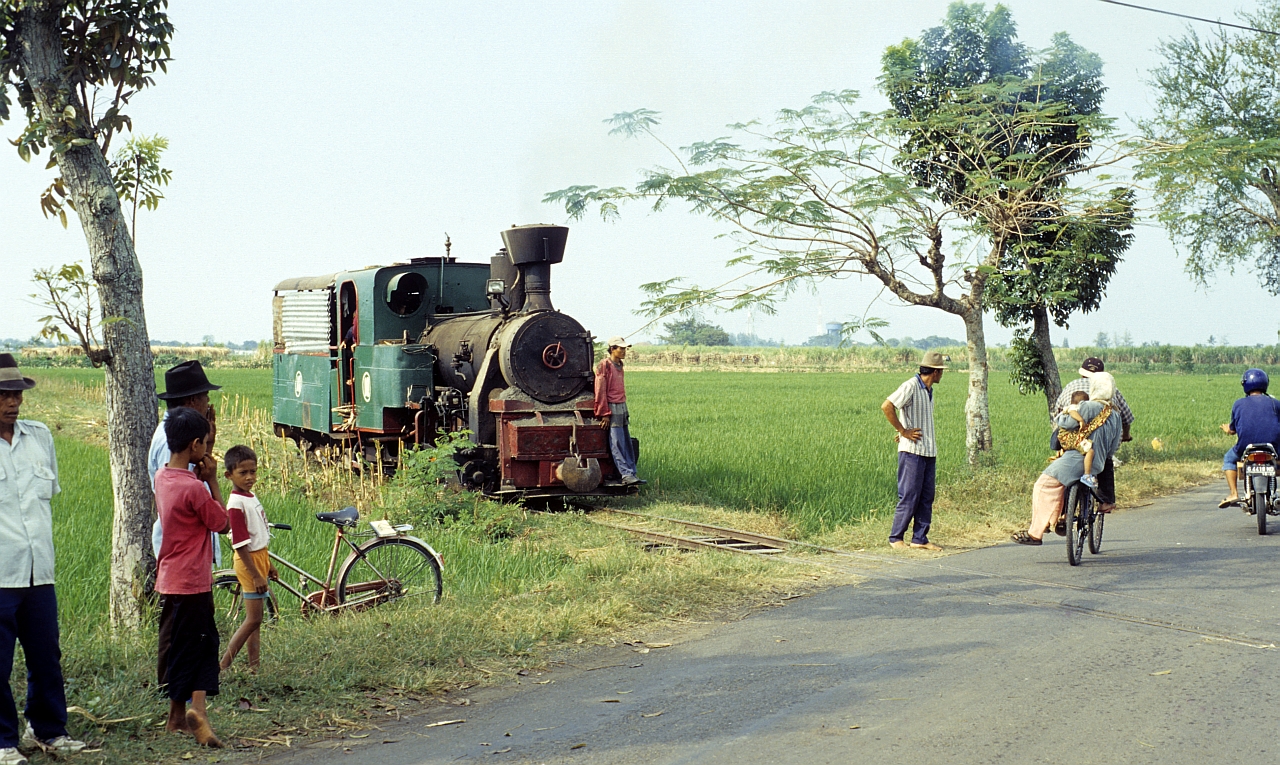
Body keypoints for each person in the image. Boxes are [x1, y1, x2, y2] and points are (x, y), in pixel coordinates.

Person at [0, 354, 85, 765]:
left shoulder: (39, 437)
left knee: (46, 654)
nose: (12, 402)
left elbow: (46, 497)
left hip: (39, 571)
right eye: (3, 395)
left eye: (15, 394)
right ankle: (3, 741)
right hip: (1, 574)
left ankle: (48, 730)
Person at [155, 407, 229, 748]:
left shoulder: (162, 478)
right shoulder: (195, 488)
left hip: (170, 577)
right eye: (206, 444)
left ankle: (175, 717)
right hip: (194, 580)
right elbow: (222, 522)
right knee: (203, 645)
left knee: (180, 647)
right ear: (195, 446)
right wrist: (212, 479)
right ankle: (197, 710)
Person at [1012, 372, 1122, 545]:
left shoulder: (1088, 406)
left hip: (1076, 458)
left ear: (1094, 388)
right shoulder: (1115, 415)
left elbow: (1066, 424)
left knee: (1044, 485)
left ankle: (1035, 533)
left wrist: (1063, 413)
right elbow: (1114, 447)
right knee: (1058, 484)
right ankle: (1057, 518)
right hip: (1098, 464)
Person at [151, 360, 223, 567]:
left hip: (188, 552)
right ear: (192, 401)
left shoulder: (179, 435)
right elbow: (180, 496)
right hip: (183, 555)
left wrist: (207, 444)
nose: (208, 401)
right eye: (205, 396)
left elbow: (193, 475)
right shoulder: (171, 442)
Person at [880, 351, 948, 551]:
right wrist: (902, 431)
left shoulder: (928, 390)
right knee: (909, 495)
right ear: (935, 372)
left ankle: (920, 538)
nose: (942, 375)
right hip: (912, 452)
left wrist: (902, 431)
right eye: (941, 371)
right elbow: (887, 406)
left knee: (926, 496)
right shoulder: (910, 386)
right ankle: (896, 538)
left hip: (928, 451)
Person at [219, 445, 277, 673]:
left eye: (253, 471)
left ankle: (254, 667)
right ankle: (222, 666)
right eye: (243, 473)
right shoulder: (235, 504)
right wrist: (255, 574)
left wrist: (268, 565)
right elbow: (240, 544)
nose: (250, 477)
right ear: (229, 475)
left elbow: (258, 535)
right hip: (248, 562)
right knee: (253, 619)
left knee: (257, 619)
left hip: (259, 558)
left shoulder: (250, 496)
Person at [1051, 357, 1134, 513]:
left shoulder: (1072, 386)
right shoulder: (1111, 392)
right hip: (1098, 441)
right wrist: (1126, 435)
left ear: (1082, 373)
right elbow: (1127, 417)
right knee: (1106, 460)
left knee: (1064, 468)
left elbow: (1058, 410)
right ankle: (1107, 501)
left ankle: (1062, 514)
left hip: (1072, 440)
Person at [1217, 368, 1280, 508]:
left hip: (1245, 447)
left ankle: (1233, 493)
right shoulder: (1275, 403)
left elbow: (1232, 429)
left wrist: (1227, 429)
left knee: (1229, 459)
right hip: (1273, 447)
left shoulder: (1238, 404)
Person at [594, 336, 641, 486]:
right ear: (612, 349)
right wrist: (604, 414)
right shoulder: (604, 365)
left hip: (622, 406)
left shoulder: (620, 365)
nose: (624, 351)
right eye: (621, 348)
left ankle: (631, 473)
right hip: (612, 407)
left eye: (625, 349)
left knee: (626, 442)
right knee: (617, 443)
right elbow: (600, 391)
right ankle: (625, 474)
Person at [1058, 391, 1098, 489]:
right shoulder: (1074, 408)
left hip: (1065, 438)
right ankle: (1087, 475)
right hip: (1069, 438)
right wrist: (1081, 420)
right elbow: (1072, 411)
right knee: (1090, 450)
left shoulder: (1068, 408)